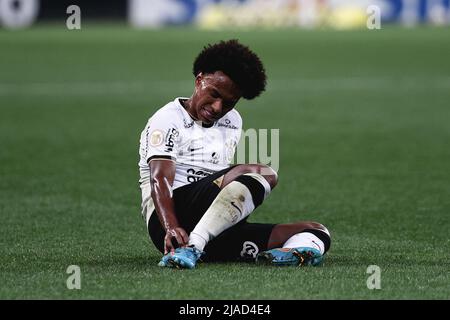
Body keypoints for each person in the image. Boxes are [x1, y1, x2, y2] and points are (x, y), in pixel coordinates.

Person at [138, 39, 331, 269]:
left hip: (210, 223)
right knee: (263, 172)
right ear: (199, 80)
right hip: (170, 218)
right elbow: (159, 179)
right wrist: (170, 226)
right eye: (214, 94)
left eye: (229, 102)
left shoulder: (232, 121)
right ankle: (193, 246)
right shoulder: (168, 118)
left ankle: (288, 252)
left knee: (317, 231)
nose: (218, 107)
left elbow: (221, 181)